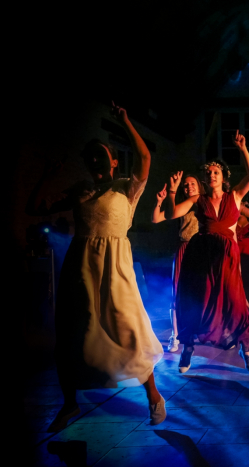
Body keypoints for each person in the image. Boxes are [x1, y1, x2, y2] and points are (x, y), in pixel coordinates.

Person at [26, 104, 166, 431]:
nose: (94, 161)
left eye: (100, 155)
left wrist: (126, 121)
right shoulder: (80, 190)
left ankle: (154, 396)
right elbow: (34, 207)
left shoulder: (125, 188)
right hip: (81, 268)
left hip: (116, 269)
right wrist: (45, 178)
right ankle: (70, 404)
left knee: (128, 329)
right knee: (74, 333)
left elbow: (144, 159)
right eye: (89, 157)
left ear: (114, 161)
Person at [164, 131, 249, 374]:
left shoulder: (235, 196)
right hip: (201, 254)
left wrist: (243, 149)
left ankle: (246, 349)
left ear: (223, 176)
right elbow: (172, 213)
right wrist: (173, 192)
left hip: (227, 256)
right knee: (200, 301)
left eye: (216, 171)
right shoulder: (198, 199)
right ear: (205, 179)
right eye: (208, 173)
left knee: (236, 303)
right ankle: (187, 347)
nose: (212, 174)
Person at [151, 175, 203, 352]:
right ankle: (175, 335)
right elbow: (156, 218)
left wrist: (172, 193)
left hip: (200, 248)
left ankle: (201, 330)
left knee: (202, 293)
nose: (189, 187)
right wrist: (160, 201)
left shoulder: (201, 201)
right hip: (184, 248)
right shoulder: (181, 207)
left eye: (193, 184)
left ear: (200, 186)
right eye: (186, 185)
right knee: (176, 294)